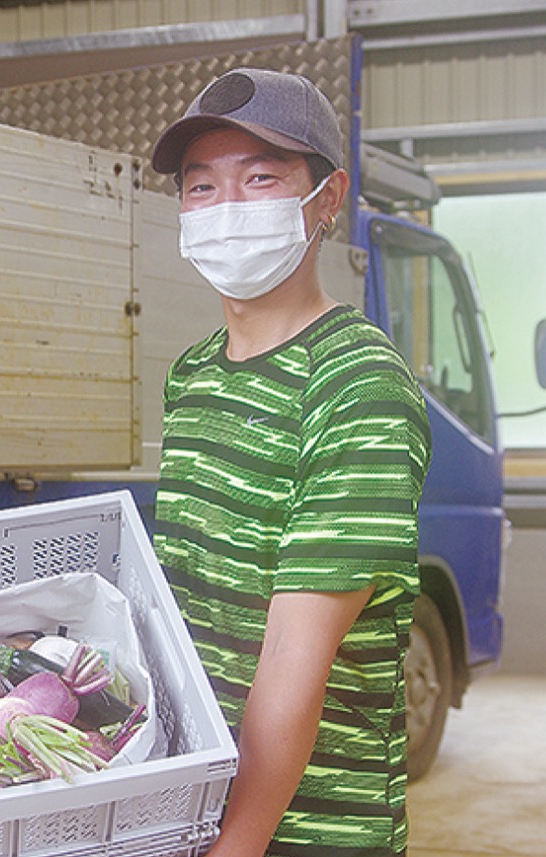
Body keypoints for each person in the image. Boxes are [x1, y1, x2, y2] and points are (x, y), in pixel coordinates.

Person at [149, 68, 431, 857]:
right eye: (201, 186)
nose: (226, 208)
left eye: (261, 178)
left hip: (310, 833)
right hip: (196, 809)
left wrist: (234, 846)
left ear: (327, 198)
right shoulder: (194, 375)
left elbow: (290, 663)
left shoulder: (358, 385)